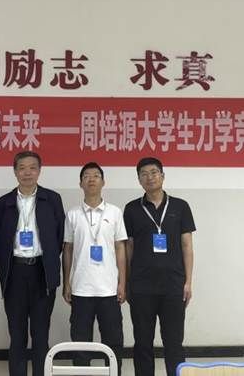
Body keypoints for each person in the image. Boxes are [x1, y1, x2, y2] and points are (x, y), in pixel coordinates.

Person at [0, 151, 65, 376]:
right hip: (14, 273)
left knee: (41, 333)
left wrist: (48, 260)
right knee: (17, 334)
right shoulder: (3, 203)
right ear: (15, 171)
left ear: (39, 171)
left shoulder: (52, 199)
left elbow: (59, 237)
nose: (27, 173)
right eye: (22, 168)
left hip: (42, 271)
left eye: (32, 167)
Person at [124, 157, 196, 376]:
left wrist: (188, 282)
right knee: (142, 342)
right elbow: (129, 248)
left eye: (154, 172)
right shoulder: (132, 209)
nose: (150, 177)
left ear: (162, 176)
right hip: (141, 287)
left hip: (173, 286)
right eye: (144, 174)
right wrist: (127, 282)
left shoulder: (180, 206)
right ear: (139, 180)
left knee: (174, 342)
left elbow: (187, 245)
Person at [62, 162, 127, 374]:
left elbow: (120, 248)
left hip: (109, 289)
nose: (91, 179)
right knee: (80, 343)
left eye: (96, 175)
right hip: (81, 289)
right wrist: (66, 283)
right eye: (86, 176)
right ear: (80, 183)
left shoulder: (115, 212)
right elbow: (68, 249)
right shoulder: (73, 214)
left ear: (103, 182)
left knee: (113, 342)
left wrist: (122, 283)